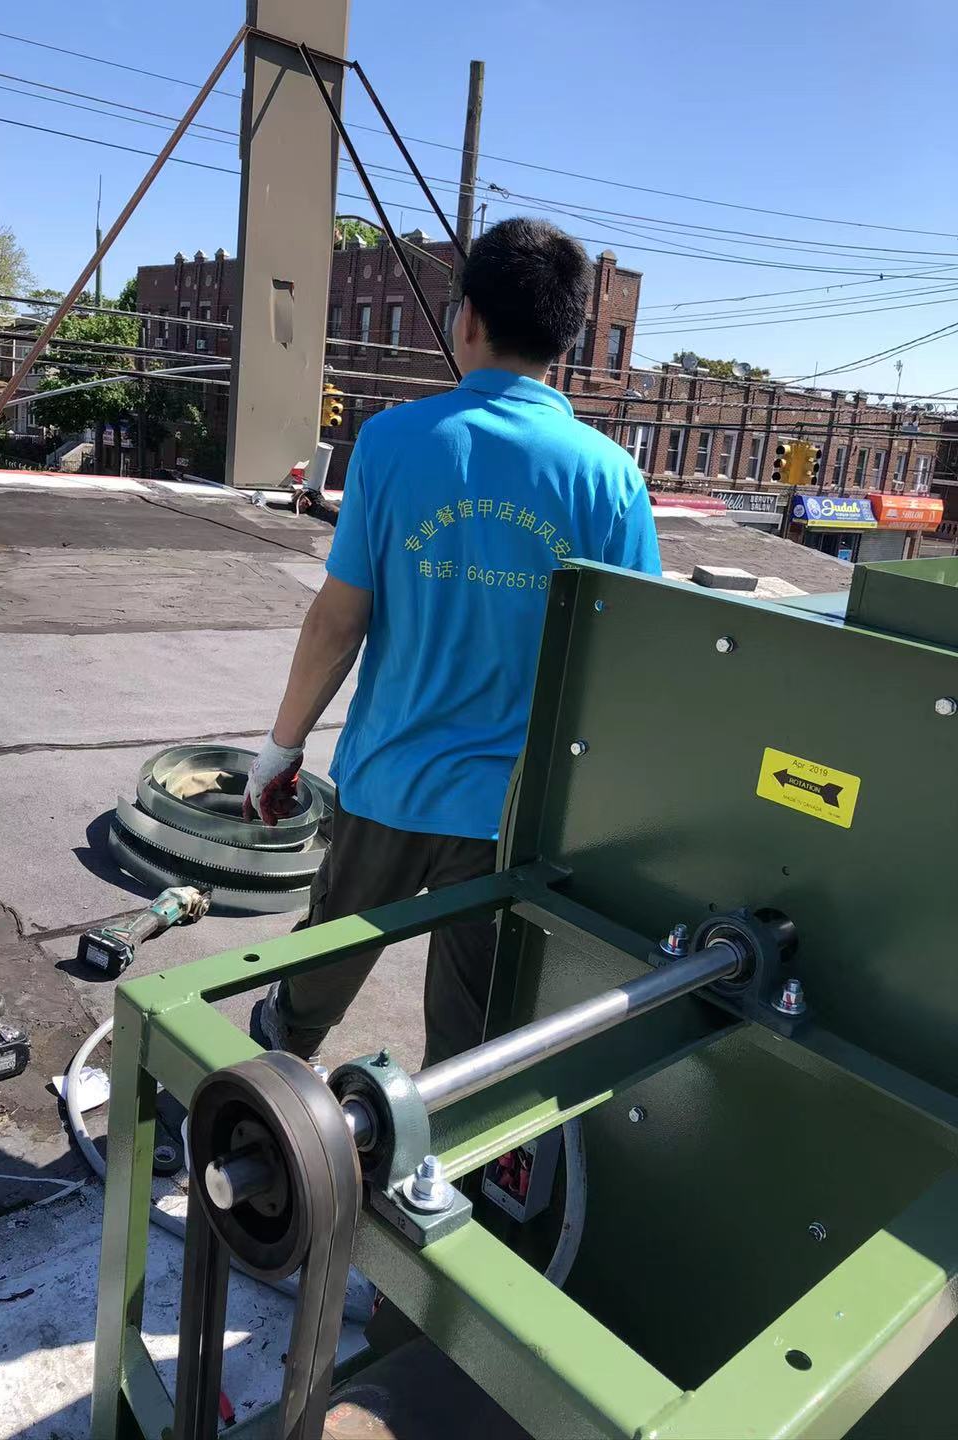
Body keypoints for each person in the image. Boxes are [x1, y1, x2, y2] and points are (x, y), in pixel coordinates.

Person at [243, 217, 661, 1067]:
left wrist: (279, 748)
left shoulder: (394, 442)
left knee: (316, 971)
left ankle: (267, 1097)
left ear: (466, 318)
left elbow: (338, 620)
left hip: (385, 787)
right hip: (512, 814)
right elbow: (632, 661)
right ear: (568, 337)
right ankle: (448, 1169)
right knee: (473, 1040)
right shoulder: (609, 476)